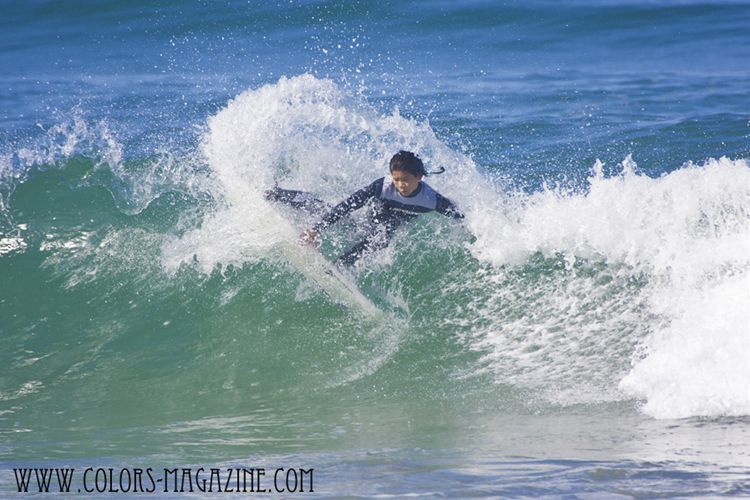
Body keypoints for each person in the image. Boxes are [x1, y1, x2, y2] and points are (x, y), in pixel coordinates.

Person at [265, 150, 464, 266]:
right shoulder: (382, 187)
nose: (400, 185)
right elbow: (347, 205)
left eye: (405, 180)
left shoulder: (431, 200)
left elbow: (460, 216)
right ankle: (276, 193)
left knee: (384, 234)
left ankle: (341, 266)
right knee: (338, 216)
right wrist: (315, 229)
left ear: (419, 177)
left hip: (394, 222)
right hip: (377, 215)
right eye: (396, 179)